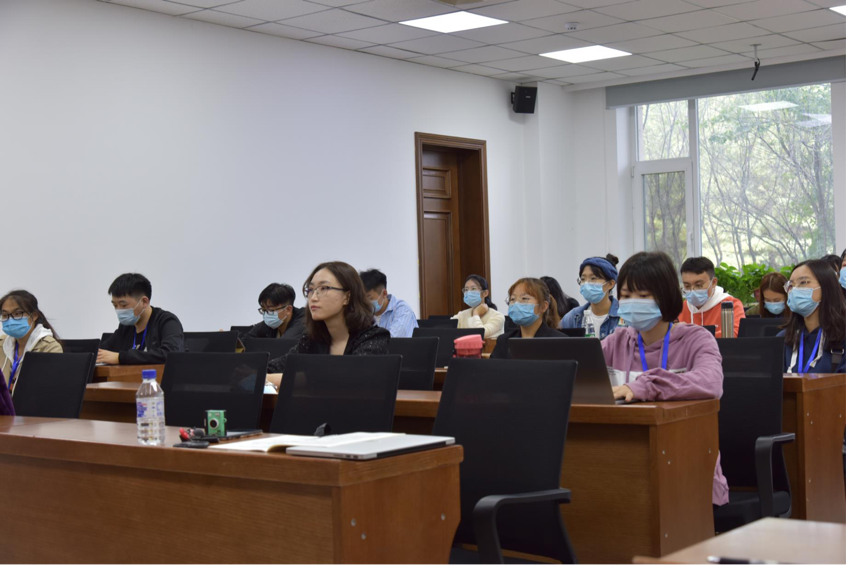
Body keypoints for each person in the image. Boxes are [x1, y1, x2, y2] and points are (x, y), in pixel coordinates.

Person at [600, 251, 728, 506]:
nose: (633, 302)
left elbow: (711, 382)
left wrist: (645, 385)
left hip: (687, 468)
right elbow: (580, 377)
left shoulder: (697, 340)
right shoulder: (616, 342)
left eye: (643, 295)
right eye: (626, 295)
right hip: (625, 465)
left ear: (666, 295)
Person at [266, 261, 390, 386]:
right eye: (311, 290)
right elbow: (275, 367)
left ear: (347, 297)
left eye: (324, 288)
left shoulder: (373, 338)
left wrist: (295, 378)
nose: (313, 298)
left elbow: (347, 380)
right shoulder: (312, 339)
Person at [98, 273, 185, 365]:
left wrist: (120, 357)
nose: (118, 310)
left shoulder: (167, 322)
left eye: (123, 305)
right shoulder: (125, 327)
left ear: (144, 302)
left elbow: (170, 354)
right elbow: (101, 351)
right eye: (115, 305)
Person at [779, 259, 846, 374]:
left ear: (826, 286)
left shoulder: (842, 335)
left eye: (803, 282)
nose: (795, 290)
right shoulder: (784, 338)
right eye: (791, 285)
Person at [0, 290, 63, 394]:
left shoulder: (49, 347)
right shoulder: (1, 344)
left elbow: (47, 389)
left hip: (30, 403)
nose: (10, 320)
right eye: (5, 315)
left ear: (34, 316)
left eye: (17, 314)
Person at [491, 278, 564, 359]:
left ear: (543, 306)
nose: (516, 304)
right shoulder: (504, 340)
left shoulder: (559, 341)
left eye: (524, 298)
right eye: (512, 299)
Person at [678, 257, 745, 337]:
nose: (692, 291)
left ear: (713, 282)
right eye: (687, 286)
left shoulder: (731, 305)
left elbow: (736, 333)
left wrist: (691, 337)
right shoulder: (680, 308)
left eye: (699, 285)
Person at [560, 254, 621, 339]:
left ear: (610, 284)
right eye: (583, 279)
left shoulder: (623, 316)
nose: (586, 284)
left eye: (593, 278)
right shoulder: (573, 318)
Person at [359, 269, 418, 338]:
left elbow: (390, 340)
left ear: (384, 294)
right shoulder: (364, 313)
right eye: (363, 298)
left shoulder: (403, 311)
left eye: (370, 298)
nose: (366, 302)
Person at [240, 283, 305, 340]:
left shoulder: (304, 320)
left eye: (271, 310)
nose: (267, 315)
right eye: (264, 310)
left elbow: (283, 345)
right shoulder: (269, 324)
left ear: (288, 309)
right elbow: (245, 341)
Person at [451, 275, 505, 339]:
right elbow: (446, 331)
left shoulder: (498, 316)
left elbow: (479, 334)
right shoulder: (461, 315)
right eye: (466, 289)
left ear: (485, 293)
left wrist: (476, 313)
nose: (468, 292)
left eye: (473, 289)